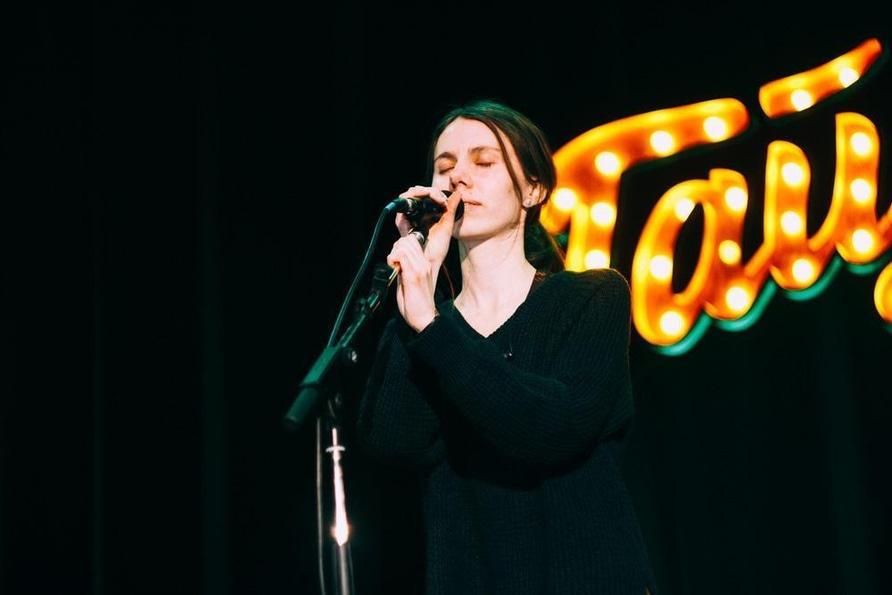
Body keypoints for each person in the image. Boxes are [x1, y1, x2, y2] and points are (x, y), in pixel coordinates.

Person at [356, 99, 658, 595]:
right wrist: (420, 302)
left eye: (484, 162)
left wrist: (433, 329)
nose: (459, 178)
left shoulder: (591, 297)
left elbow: (550, 428)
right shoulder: (421, 322)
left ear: (533, 189)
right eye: (445, 167)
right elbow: (395, 441)